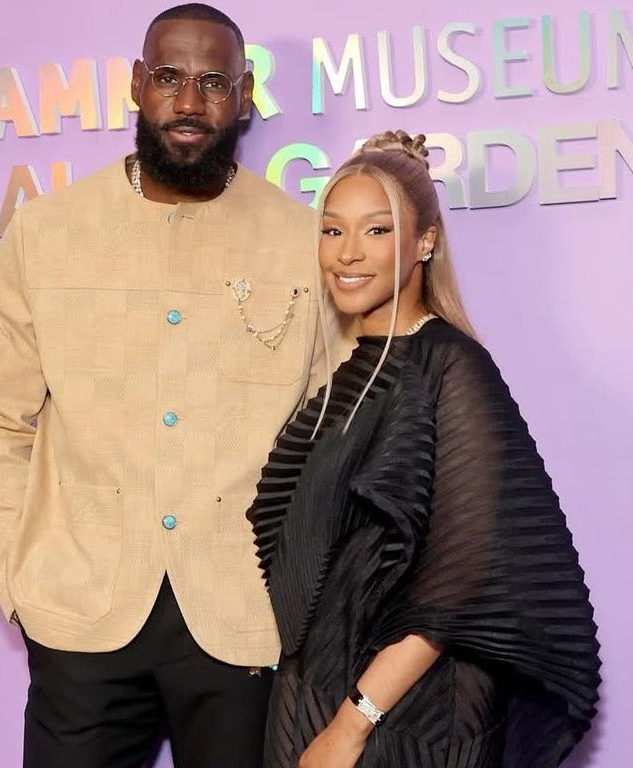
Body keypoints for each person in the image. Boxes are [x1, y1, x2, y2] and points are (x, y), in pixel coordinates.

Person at [0, 4, 327, 767]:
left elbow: (333, 432)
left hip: (244, 619)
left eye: (212, 82)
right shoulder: (47, 232)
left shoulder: (302, 241)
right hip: (81, 614)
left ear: (245, 93)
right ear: (135, 84)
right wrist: (22, 579)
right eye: (168, 77)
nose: (189, 103)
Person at [247, 130, 601, 768]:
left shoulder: (451, 367)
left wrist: (354, 724)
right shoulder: (343, 369)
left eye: (377, 231)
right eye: (333, 231)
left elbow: (461, 578)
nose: (348, 254)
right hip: (324, 695)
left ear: (425, 243)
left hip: (406, 718)